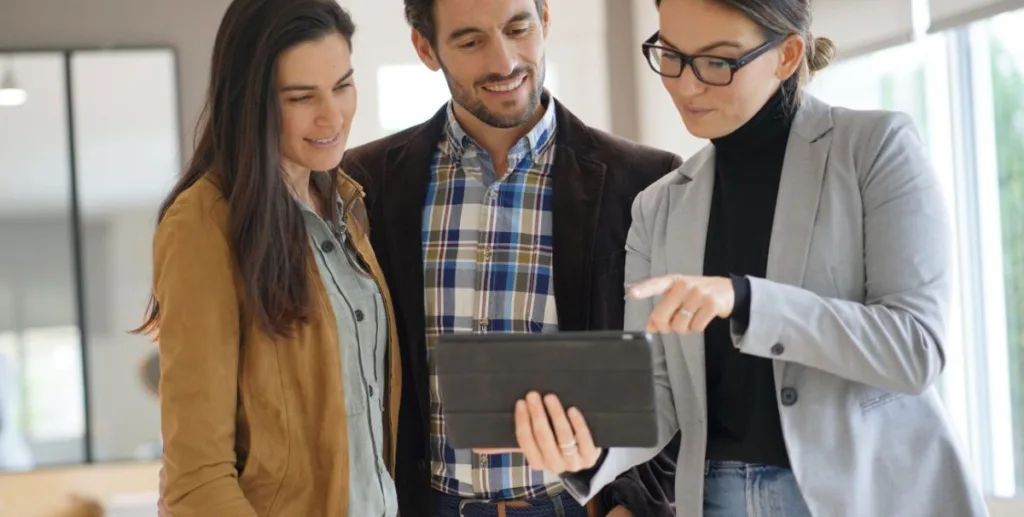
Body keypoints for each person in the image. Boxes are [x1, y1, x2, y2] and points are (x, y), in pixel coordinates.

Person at [510, 0, 990, 516]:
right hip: (717, 499)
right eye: (671, 54)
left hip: (869, 496)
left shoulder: (874, 149)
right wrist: (587, 448)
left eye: (717, 63)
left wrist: (745, 299)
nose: (685, 85)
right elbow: (654, 391)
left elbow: (915, 348)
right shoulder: (659, 206)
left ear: (787, 56)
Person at [341, 1, 682, 516]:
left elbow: (689, 371)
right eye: (470, 41)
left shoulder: (647, 182)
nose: (504, 62)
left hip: (580, 506)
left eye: (518, 29)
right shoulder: (363, 182)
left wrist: (638, 501)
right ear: (425, 48)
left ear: (545, 20)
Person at [137, 1, 402, 516]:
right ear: (251, 101)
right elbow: (197, 478)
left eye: (343, 85)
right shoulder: (203, 224)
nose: (333, 116)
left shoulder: (347, 203)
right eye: (301, 97)